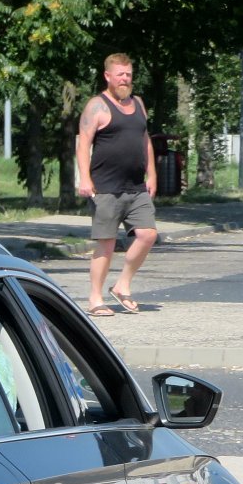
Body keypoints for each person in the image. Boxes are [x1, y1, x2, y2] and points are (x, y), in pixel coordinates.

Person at [76, 52, 158, 316]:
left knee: (148, 234)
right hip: (106, 187)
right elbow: (83, 143)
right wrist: (85, 178)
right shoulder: (97, 106)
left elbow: (145, 140)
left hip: (135, 186)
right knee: (106, 243)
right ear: (108, 76)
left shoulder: (139, 104)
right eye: (120, 74)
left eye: (129, 74)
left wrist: (152, 174)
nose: (125, 79)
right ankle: (95, 299)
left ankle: (122, 285)